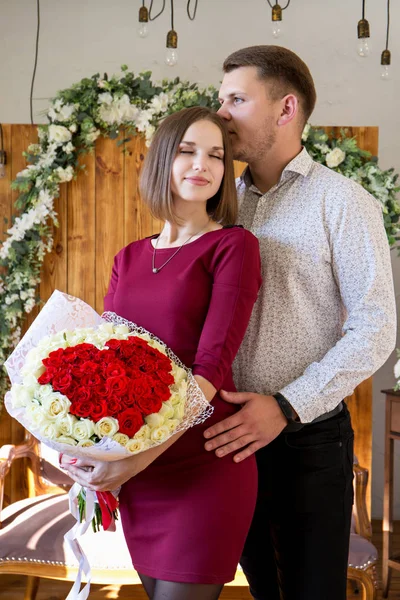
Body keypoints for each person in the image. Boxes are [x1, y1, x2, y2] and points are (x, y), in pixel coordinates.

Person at [203, 45, 397, 600]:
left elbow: (376, 327)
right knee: (263, 590)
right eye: (221, 100)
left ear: (286, 109)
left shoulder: (344, 203)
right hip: (226, 440)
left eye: (237, 100)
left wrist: (286, 406)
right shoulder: (219, 206)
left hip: (307, 445)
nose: (222, 114)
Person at [61, 106, 262, 600]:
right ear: (162, 162)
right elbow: (109, 360)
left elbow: (211, 368)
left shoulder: (233, 247)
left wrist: (136, 459)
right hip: (142, 472)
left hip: (203, 462)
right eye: (187, 151)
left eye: (216, 155)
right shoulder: (128, 257)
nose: (204, 165)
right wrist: (85, 442)